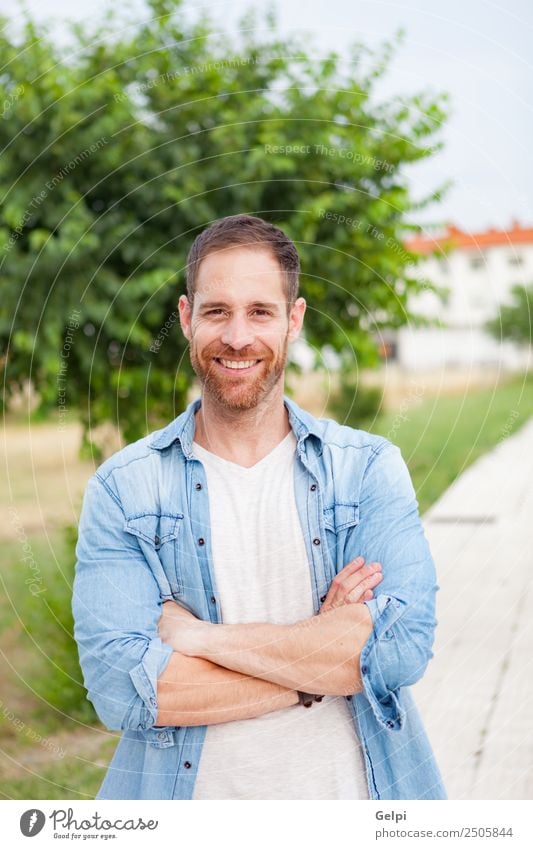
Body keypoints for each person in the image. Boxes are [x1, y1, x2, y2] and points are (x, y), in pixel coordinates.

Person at [72, 213, 446, 800]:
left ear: (293, 320)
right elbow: (124, 691)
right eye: (217, 311)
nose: (239, 337)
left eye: (261, 312)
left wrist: (198, 640)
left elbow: (397, 652)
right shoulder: (125, 490)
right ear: (187, 318)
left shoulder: (366, 469)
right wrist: (321, 661)